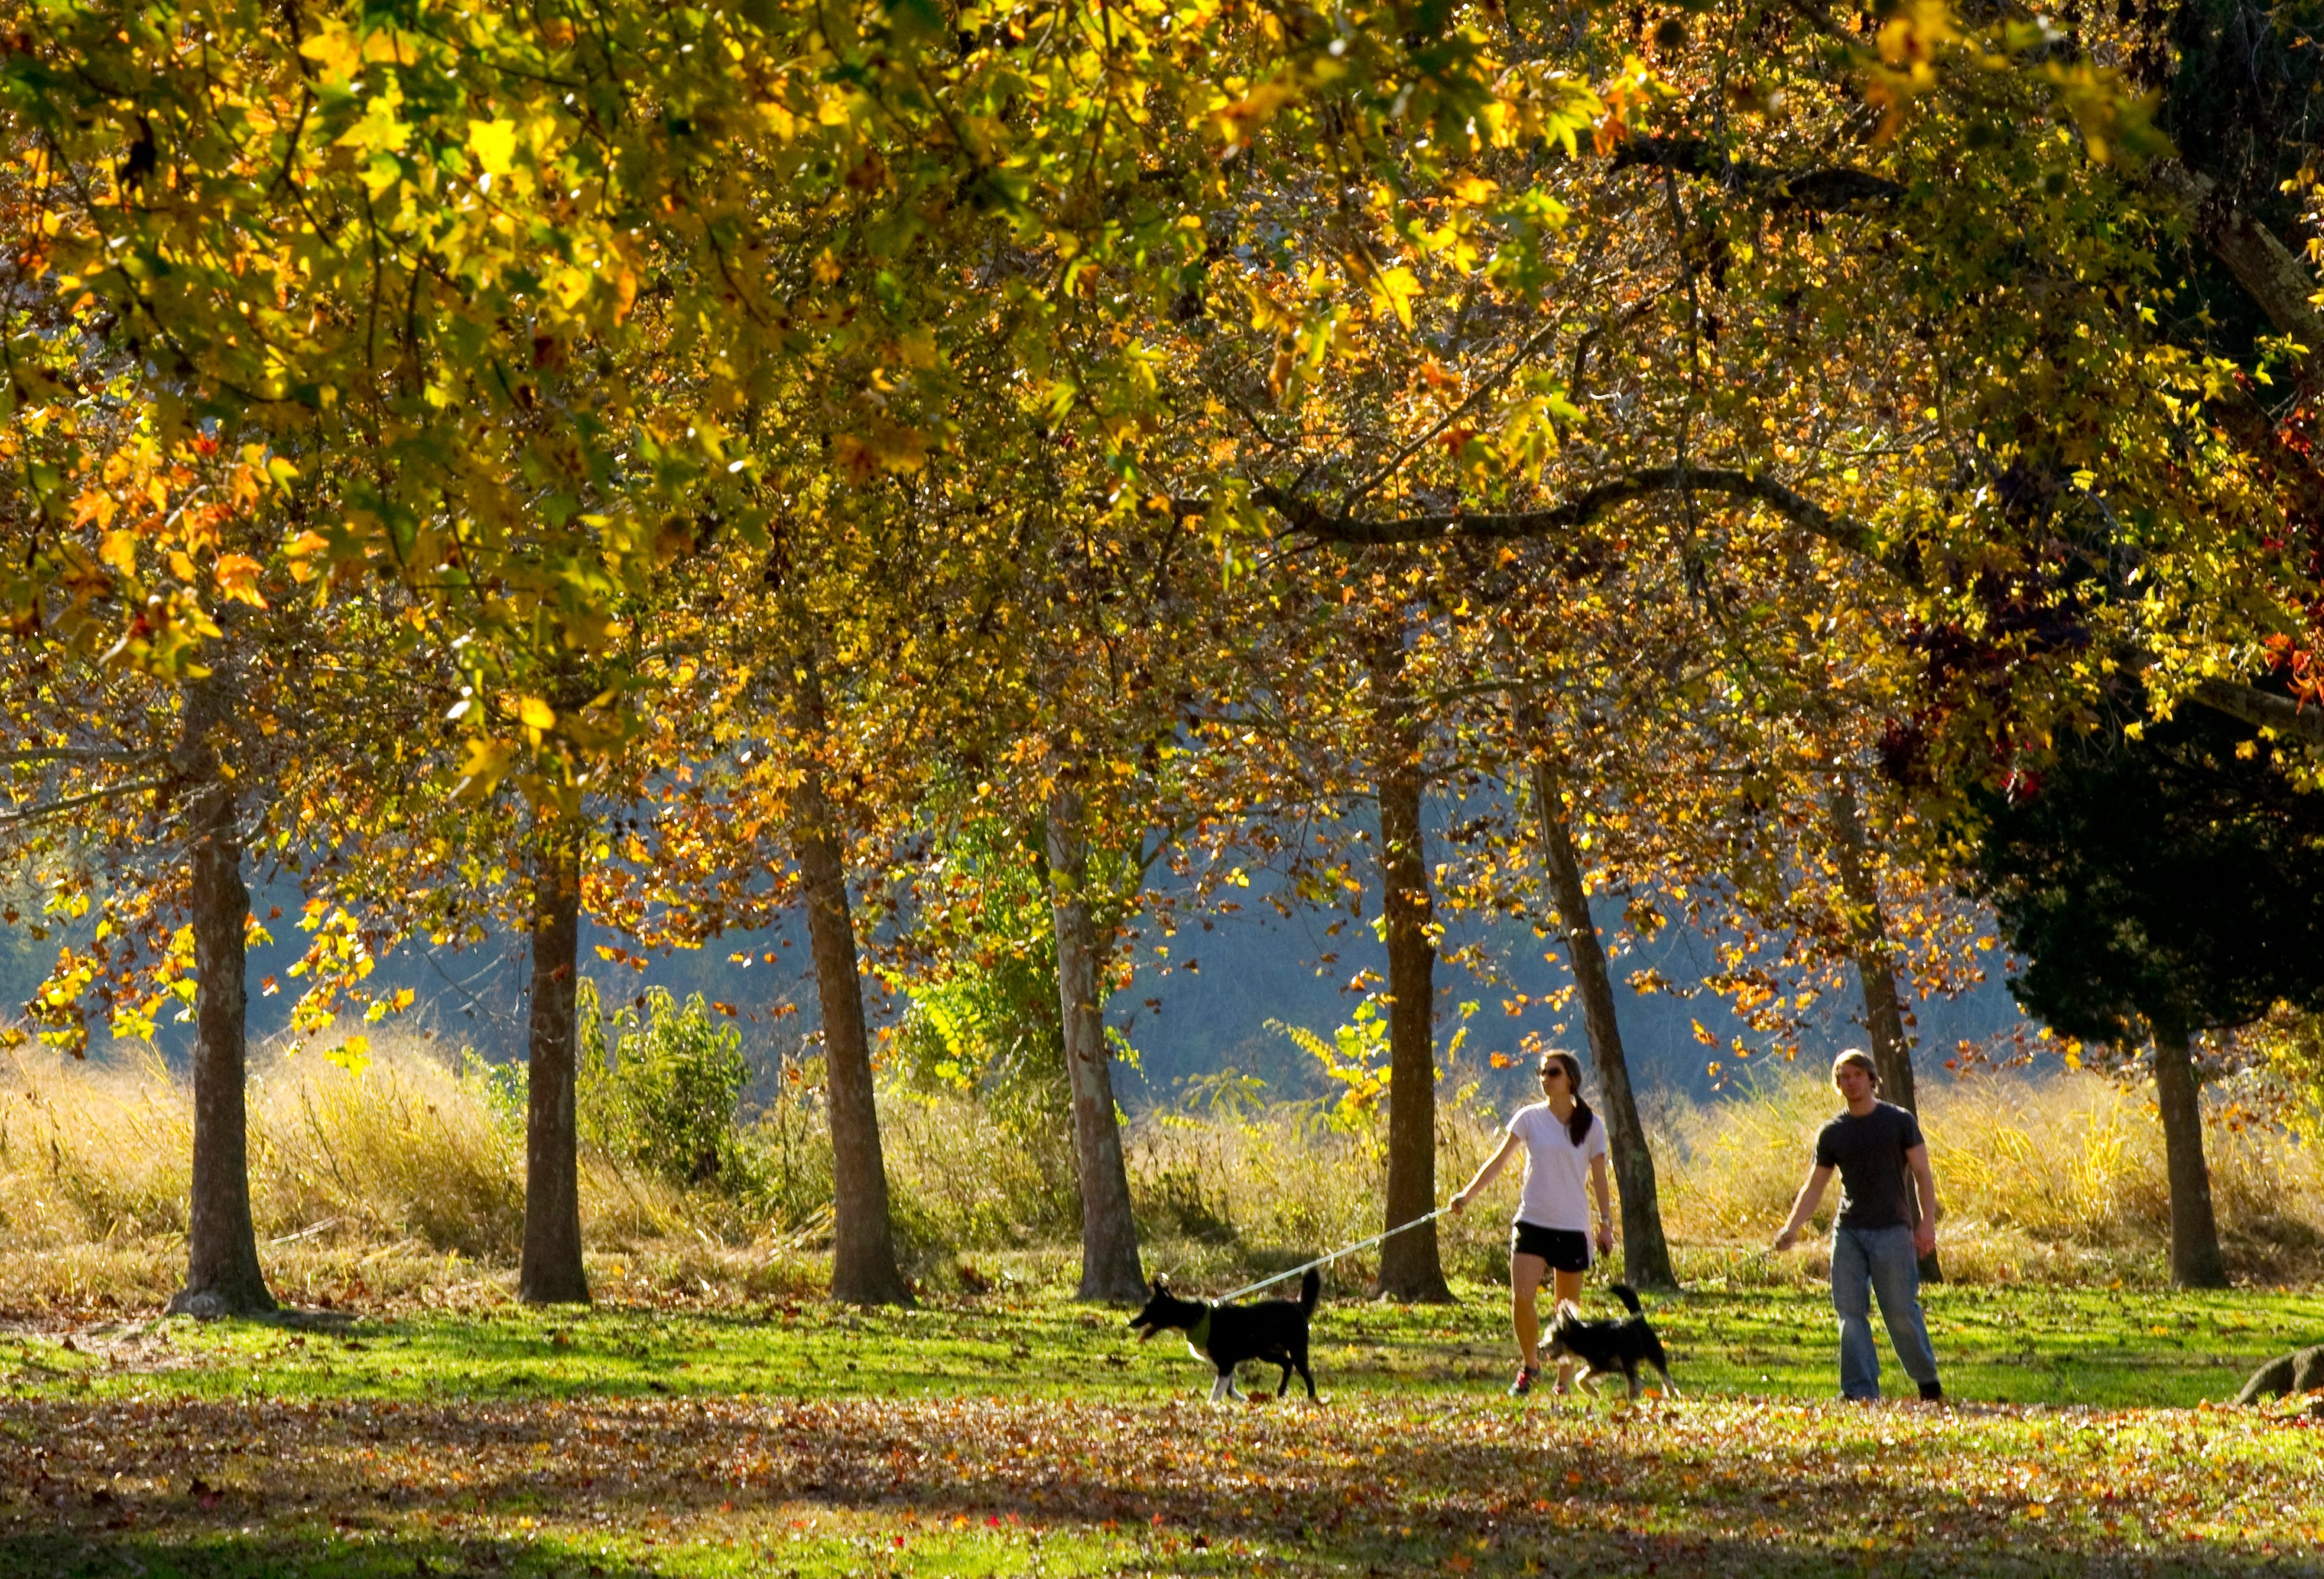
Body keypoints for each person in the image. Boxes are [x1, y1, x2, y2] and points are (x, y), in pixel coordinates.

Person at [1772, 1048, 1945, 1402]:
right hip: (1849, 1232)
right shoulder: (1833, 1133)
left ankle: (1928, 1382)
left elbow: (1924, 1175)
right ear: (1838, 1085)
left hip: (1893, 1230)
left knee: (1899, 1311)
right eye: (1843, 1078)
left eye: (1856, 1075)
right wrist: (1791, 1228)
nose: (1851, 1083)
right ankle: (1860, 1391)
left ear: (1870, 1078)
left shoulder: (1898, 1121)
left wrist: (1926, 1224)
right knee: (1850, 1313)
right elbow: (1815, 1185)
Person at [1451, 1048, 1614, 1396]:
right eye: (1542, 1073)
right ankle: (1530, 1367)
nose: (1545, 1079)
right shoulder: (1529, 1118)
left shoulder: (1592, 1125)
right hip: (1532, 1222)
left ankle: (1563, 1382)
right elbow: (1498, 1162)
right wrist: (1467, 1195)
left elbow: (1601, 1178)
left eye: (1553, 1073)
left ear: (1570, 1078)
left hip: (1573, 1227)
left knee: (1566, 1313)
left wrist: (1606, 1225)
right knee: (1521, 1298)